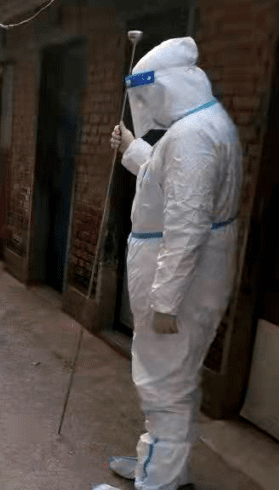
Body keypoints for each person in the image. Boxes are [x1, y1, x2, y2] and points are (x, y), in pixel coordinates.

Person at [96, 37, 242, 490]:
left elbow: (187, 224)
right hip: (183, 277)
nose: (146, 104)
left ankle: (156, 481)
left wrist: (165, 300)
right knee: (171, 377)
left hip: (181, 284)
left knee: (165, 383)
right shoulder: (193, 129)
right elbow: (164, 178)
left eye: (148, 94)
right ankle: (159, 463)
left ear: (169, 87)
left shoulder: (193, 137)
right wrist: (132, 147)